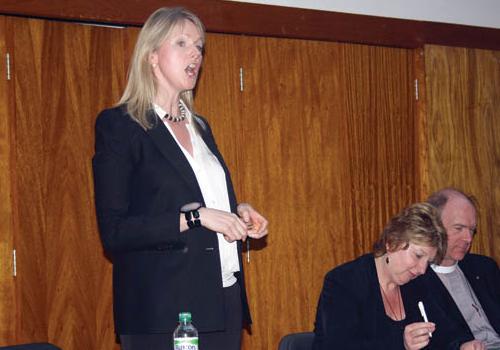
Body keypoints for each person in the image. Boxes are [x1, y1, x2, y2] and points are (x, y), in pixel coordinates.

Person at [92, 7, 268, 350]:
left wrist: (237, 211)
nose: (196, 54)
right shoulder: (120, 125)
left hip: (222, 300)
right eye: (183, 43)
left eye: (200, 46)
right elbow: (115, 231)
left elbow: (192, 194)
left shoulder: (200, 126)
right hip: (162, 309)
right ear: (152, 56)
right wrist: (196, 217)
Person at [312, 202, 447, 350]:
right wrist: (400, 343)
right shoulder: (343, 283)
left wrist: (462, 344)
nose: (422, 269)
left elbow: (444, 330)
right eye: (418, 255)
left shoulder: (418, 282)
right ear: (392, 242)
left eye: (428, 262)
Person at [409, 188, 500, 350]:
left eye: (472, 230)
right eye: (459, 228)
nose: (468, 238)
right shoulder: (415, 278)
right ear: (433, 226)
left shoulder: (484, 268)